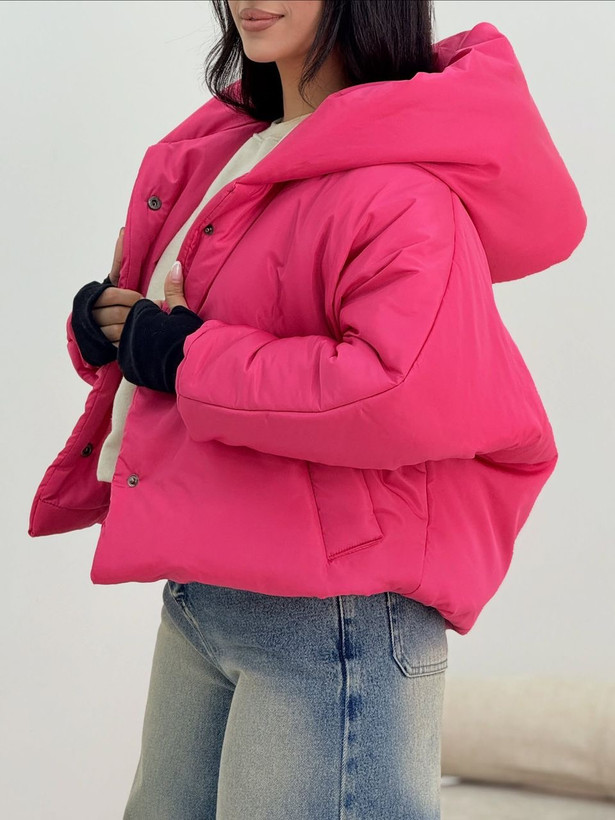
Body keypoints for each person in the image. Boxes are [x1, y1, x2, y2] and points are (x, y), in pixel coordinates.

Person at [28, 1, 587, 818]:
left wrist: (183, 356)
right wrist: (112, 329)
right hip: (205, 589)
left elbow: (396, 391)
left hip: (331, 616)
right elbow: (191, 325)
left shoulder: (401, 185)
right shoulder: (224, 152)